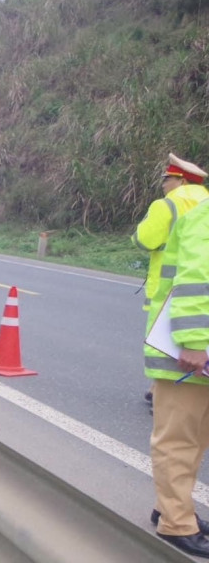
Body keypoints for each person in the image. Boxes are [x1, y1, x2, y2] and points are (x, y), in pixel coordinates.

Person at [145, 157, 209, 558]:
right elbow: (196, 278)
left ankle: (171, 507)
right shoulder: (203, 216)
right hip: (187, 347)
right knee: (179, 438)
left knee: (196, 437)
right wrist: (192, 341)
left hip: (197, 347)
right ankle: (175, 523)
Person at [133, 153, 209, 408]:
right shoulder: (206, 203)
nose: (164, 184)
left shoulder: (167, 204)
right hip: (203, 297)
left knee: (163, 342)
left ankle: (161, 394)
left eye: (167, 179)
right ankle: (158, 389)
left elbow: (144, 239)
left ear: (182, 180)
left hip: (168, 290)